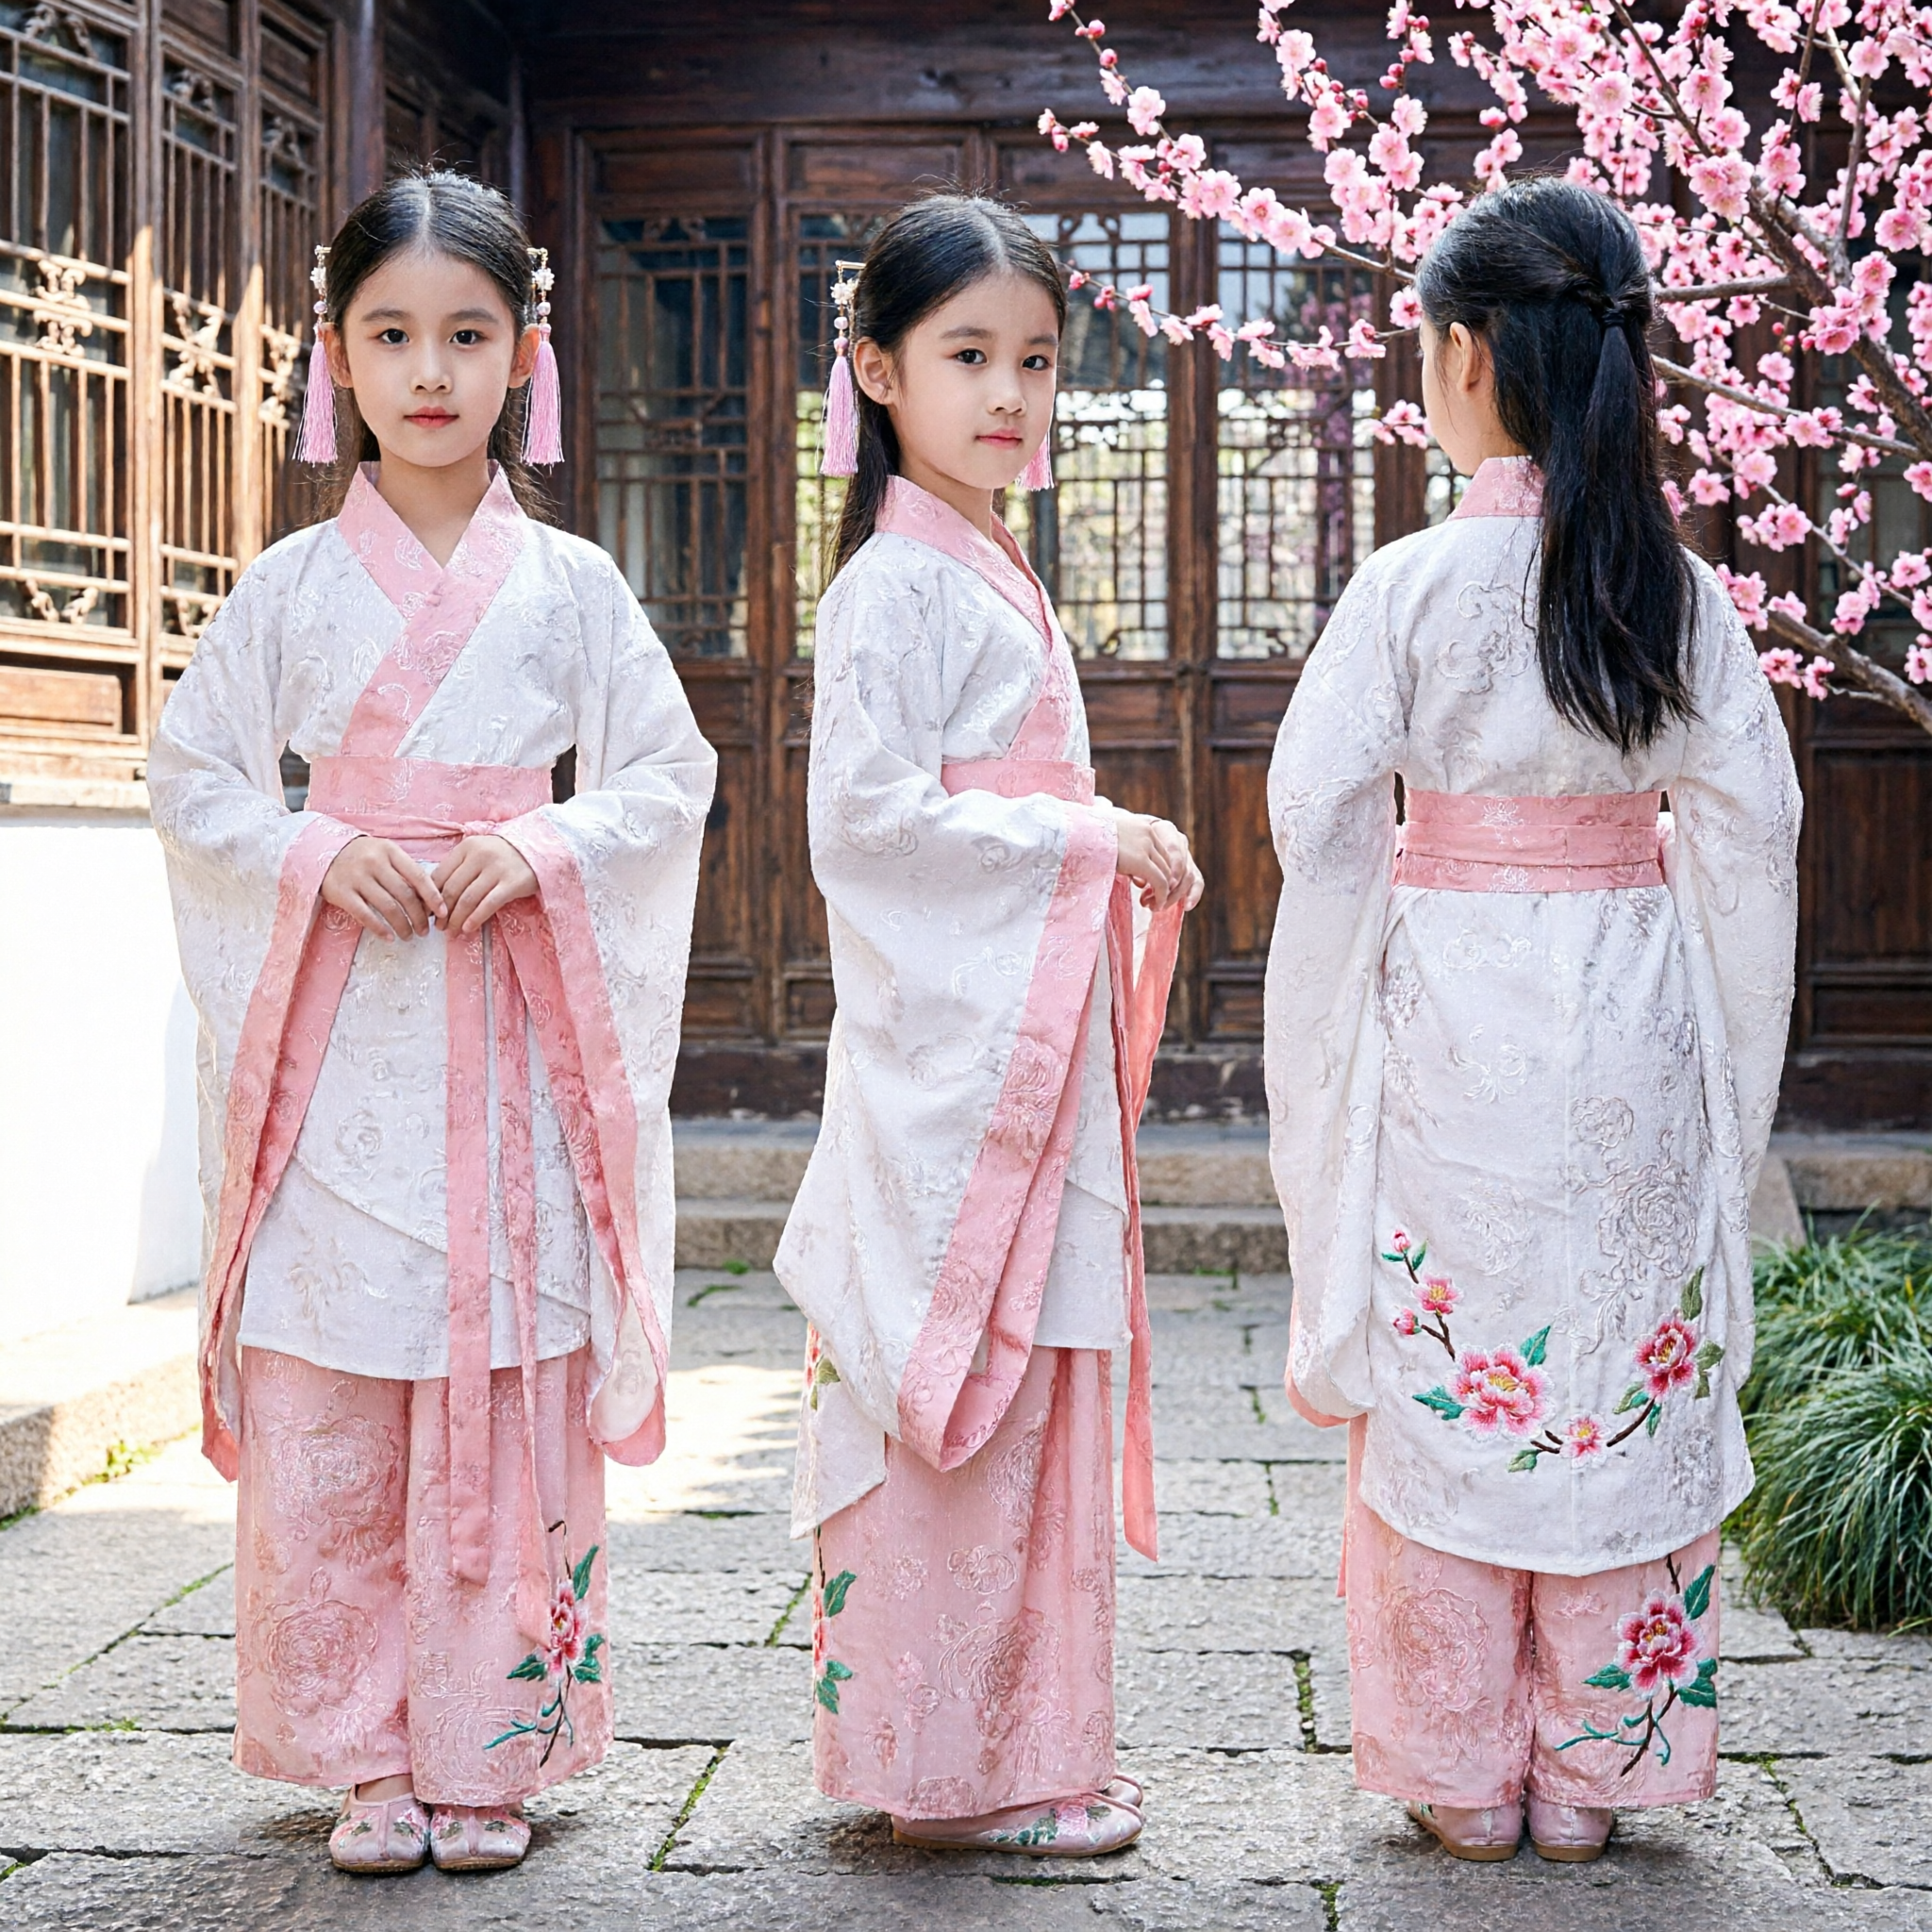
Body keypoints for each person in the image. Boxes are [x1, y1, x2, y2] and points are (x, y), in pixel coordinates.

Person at [148, 171, 715, 1876]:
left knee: (503, 1368)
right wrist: (318, 852)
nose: (430, 371)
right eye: (390, 334)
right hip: (342, 1049)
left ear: (523, 355)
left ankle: (491, 1747)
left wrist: (538, 843)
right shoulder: (288, 589)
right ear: (336, 356)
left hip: (515, 1031)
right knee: (339, 1389)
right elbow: (190, 780)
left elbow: (668, 777)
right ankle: (361, 1756)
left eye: (468, 335)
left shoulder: (574, 589)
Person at [1263, 177, 1800, 1864]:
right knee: (1620, 1343)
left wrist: (1339, 1002)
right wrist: (1725, 1040)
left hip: (1457, 1009)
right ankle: (1597, 1771)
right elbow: (1755, 823)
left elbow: (1318, 816)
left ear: (1470, 359)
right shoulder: (1675, 591)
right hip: (1631, 990)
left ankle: (1460, 1767)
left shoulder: (1412, 586)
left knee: (1458, 1360)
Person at [774, 193, 1203, 1857]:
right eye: (968, 356)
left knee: (1030, 1392)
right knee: (964, 1387)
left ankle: (1019, 1748)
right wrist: (1088, 837)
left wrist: (1078, 850)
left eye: (1036, 358)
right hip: (955, 1066)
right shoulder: (893, 587)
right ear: (876, 369)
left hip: (1020, 1035)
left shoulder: (986, 569)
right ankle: (953, 1769)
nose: (1010, 391)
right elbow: (863, 826)